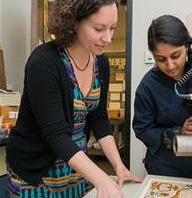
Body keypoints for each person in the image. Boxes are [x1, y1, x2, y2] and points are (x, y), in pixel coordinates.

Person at [6, 0, 142, 197]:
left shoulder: (101, 62)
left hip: (75, 166)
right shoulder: (43, 62)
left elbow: (99, 119)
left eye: (112, 28)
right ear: (74, 22)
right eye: (99, 29)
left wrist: (119, 166)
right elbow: (55, 134)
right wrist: (101, 178)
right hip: (36, 171)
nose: (109, 38)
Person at [133, 15, 192, 180]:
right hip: (165, 171)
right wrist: (177, 133)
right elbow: (142, 129)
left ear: (186, 47)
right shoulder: (148, 86)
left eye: (175, 55)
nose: (170, 65)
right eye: (161, 59)